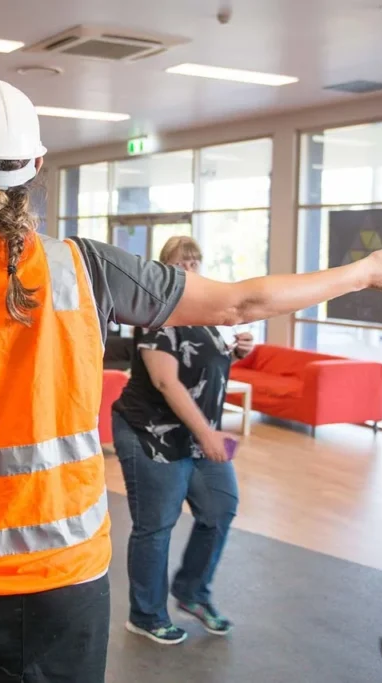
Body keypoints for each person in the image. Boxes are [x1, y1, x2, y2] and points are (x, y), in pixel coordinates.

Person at [0, 75, 382, 683]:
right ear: (36, 165)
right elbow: (239, 304)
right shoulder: (88, 270)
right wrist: (368, 270)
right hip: (66, 577)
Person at [111, 235, 253, 647]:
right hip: (150, 433)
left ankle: (192, 592)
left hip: (201, 432)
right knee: (156, 525)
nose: (189, 269)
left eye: (195, 262)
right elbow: (165, 380)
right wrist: (207, 433)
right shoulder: (156, 315)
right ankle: (146, 615)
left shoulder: (208, 313)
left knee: (221, 507)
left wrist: (238, 349)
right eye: (180, 263)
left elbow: (205, 361)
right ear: (164, 270)